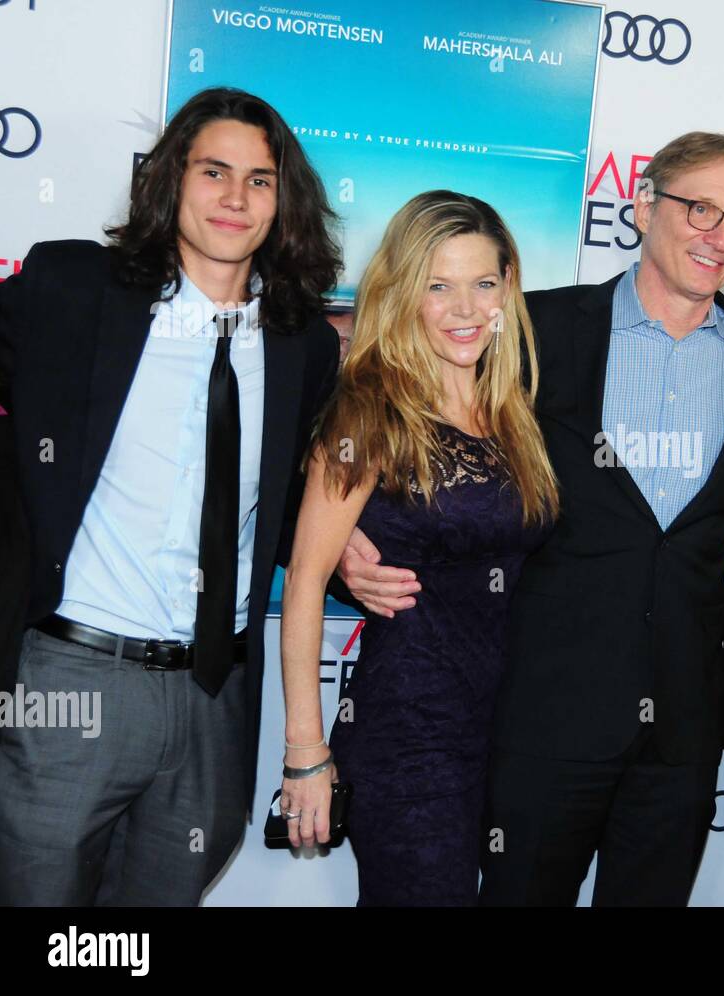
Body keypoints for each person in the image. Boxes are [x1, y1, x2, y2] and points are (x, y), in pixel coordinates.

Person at [340, 131, 724, 905]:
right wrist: (338, 537)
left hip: (680, 734)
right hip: (542, 715)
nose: (721, 237)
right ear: (644, 206)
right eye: (701, 209)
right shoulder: (534, 329)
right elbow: (382, 388)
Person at [0, 87, 342, 905]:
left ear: (283, 202)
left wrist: (341, 547)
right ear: (168, 180)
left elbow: (284, 501)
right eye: (214, 170)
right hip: (73, 677)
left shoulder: (301, 347)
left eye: (260, 180)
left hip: (212, 694)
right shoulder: (73, 289)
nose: (235, 197)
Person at [279, 191, 558, 906]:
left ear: (508, 289)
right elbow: (308, 578)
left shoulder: (513, 413)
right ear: (405, 293)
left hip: (509, 726)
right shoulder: (369, 411)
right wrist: (307, 754)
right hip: (410, 730)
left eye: (483, 284)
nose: (465, 308)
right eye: (439, 286)